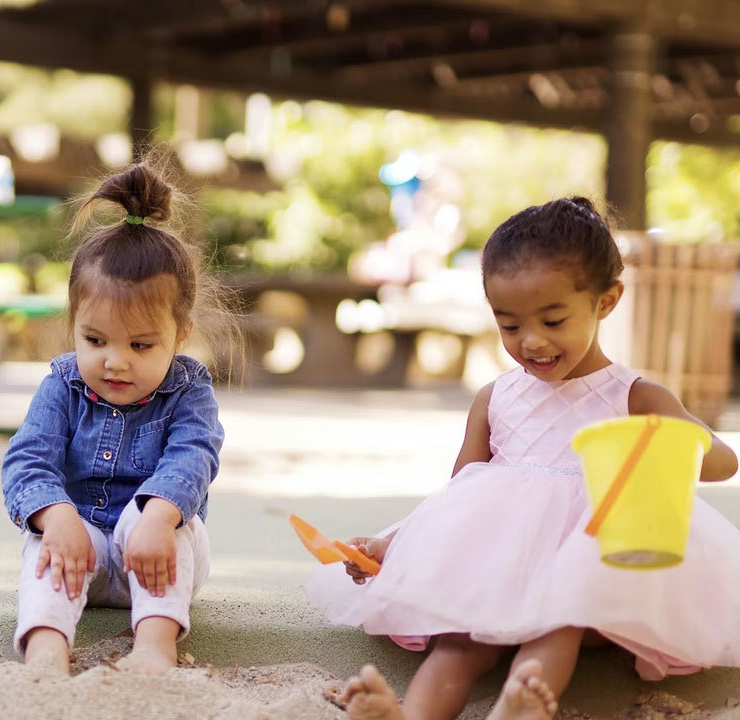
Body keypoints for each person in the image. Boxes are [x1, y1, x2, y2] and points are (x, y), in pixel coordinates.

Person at [308, 197, 740, 719]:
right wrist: (389, 544)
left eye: (554, 320)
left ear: (605, 302)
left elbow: (721, 463)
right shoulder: (496, 397)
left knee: (556, 624)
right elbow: (457, 496)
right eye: (509, 325)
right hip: (494, 570)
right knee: (459, 639)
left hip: (590, 570)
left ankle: (520, 708)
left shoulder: (635, 397)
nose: (532, 342)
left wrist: (665, 439)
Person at [1, 163, 233, 676]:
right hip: (76, 550)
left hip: (153, 552)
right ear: (74, 326)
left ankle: (154, 647)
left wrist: (158, 515)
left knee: (162, 517)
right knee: (43, 536)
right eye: (95, 340)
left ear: (181, 334)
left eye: (141, 344)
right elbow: (27, 459)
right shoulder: (62, 384)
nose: (115, 361)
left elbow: (192, 458)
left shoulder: (190, 390)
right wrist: (57, 516)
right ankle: (46, 650)